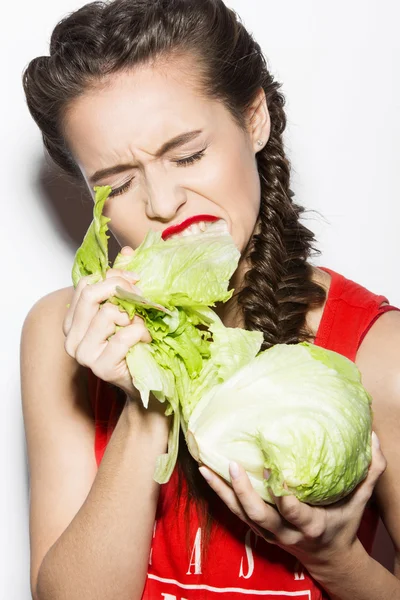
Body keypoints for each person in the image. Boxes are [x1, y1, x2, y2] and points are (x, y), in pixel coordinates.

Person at [20, 0, 400, 599]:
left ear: (254, 119)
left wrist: (332, 558)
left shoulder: (377, 349)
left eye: (188, 154)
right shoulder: (61, 337)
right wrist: (146, 402)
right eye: (117, 183)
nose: (163, 201)